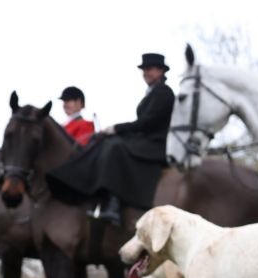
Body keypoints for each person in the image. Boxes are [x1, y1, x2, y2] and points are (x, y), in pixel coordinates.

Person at [47, 53, 175, 226]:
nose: (146, 72)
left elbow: (147, 123)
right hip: (145, 138)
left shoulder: (164, 93)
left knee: (114, 147)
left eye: (150, 69)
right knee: (106, 142)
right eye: (144, 69)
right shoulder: (153, 92)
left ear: (161, 70)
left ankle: (113, 204)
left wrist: (117, 128)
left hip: (155, 143)